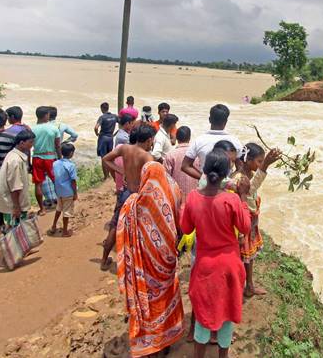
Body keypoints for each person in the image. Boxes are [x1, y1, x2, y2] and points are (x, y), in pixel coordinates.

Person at [181, 150, 251, 358]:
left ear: (204, 170)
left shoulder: (193, 198)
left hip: (204, 267)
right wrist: (243, 196)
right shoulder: (231, 200)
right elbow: (245, 227)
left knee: (203, 315)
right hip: (229, 266)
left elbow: (186, 228)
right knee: (227, 315)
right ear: (226, 174)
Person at [116, 161, 184, 356]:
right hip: (167, 260)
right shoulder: (173, 191)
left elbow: (123, 232)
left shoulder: (133, 203)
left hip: (143, 264)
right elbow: (179, 221)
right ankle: (166, 339)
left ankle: (150, 344)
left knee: (147, 298)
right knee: (166, 296)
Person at [100, 125, 156, 270]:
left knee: (115, 225)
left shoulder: (125, 148)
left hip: (125, 193)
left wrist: (122, 171)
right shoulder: (147, 157)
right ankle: (139, 263)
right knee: (140, 229)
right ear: (149, 140)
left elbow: (106, 159)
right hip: (139, 196)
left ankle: (104, 259)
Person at [231, 143, 281, 297]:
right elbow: (249, 190)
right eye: (259, 161)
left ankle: (249, 285)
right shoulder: (239, 178)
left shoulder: (248, 173)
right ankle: (243, 287)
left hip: (250, 220)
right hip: (243, 223)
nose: (260, 164)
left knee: (248, 257)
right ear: (248, 160)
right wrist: (265, 166)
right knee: (243, 257)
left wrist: (264, 165)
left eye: (261, 161)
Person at [0, 130, 34, 239]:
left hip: (12, 201)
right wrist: (16, 207)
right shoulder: (15, 160)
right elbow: (15, 187)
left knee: (17, 231)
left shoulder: (13, 155)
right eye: (31, 142)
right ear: (22, 143)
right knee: (15, 232)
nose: (32, 145)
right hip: (12, 203)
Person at [181, 104, 242, 181]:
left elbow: (185, 166)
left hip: (205, 186)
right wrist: (228, 180)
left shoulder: (199, 140)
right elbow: (240, 167)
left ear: (209, 119)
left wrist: (204, 179)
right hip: (228, 187)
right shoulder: (235, 141)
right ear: (226, 121)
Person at [31, 106, 61, 215]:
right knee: (56, 180)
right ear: (46, 115)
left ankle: (42, 209)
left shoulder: (32, 129)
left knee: (38, 184)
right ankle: (60, 203)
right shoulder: (54, 128)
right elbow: (57, 146)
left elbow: (29, 146)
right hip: (50, 158)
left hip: (37, 157)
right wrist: (60, 158)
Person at [49, 143, 78, 237]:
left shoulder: (55, 163)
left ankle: (53, 226)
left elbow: (54, 175)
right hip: (68, 192)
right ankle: (65, 231)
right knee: (66, 211)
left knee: (59, 208)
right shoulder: (71, 165)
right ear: (71, 153)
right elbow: (73, 181)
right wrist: (75, 193)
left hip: (58, 191)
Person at [163, 126, 198, 201]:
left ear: (177, 138)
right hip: (194, 198)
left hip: (175, 197)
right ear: (189, 138)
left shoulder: (170, 155)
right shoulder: (196, 155)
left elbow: (165, 178)